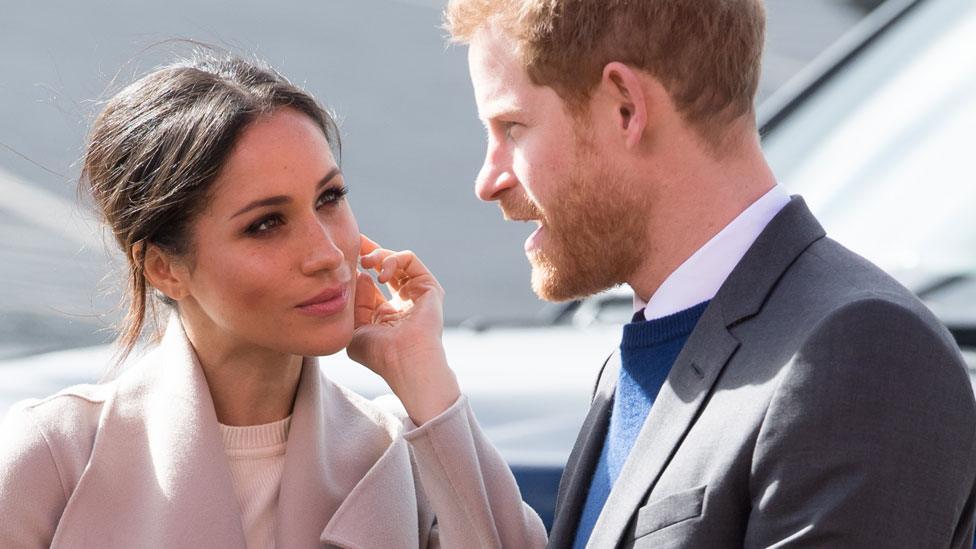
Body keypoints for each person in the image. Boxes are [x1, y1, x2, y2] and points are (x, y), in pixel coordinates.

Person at [444, 0, 976, 547]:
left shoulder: (863, 353)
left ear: (625, 107)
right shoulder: (646, 352)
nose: (489, 181)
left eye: (513, 127)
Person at [0, 51, 547, 548]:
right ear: (164, 268)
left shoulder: (399, 459)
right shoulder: (52, 459)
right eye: (265, 225)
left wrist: (422, 373)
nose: (328, 253)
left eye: (330, 198)